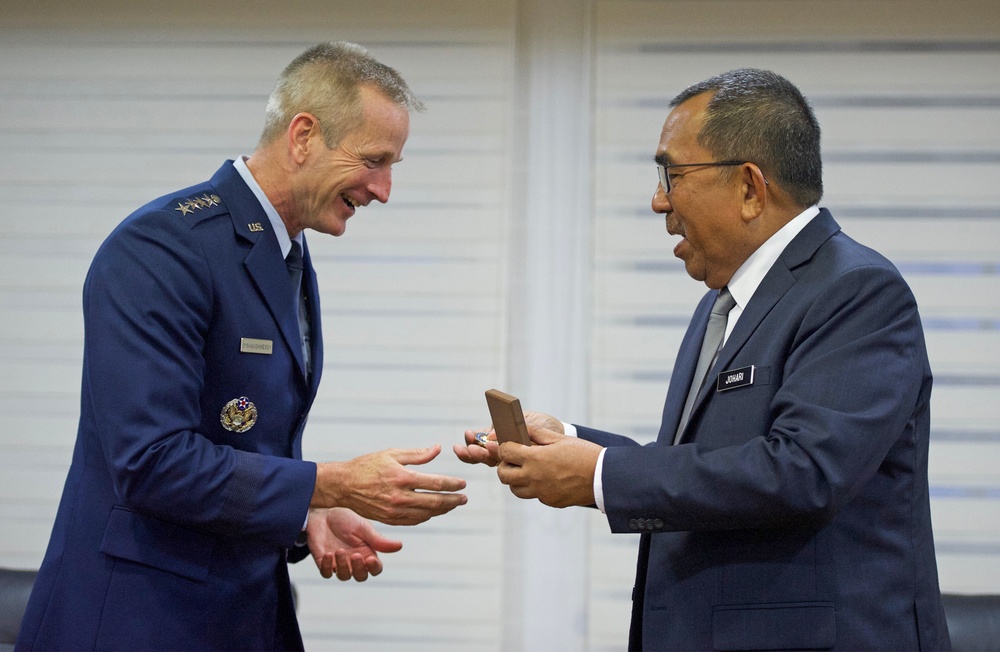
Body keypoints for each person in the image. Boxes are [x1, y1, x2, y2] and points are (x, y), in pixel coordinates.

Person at [456, 68, 951, 650]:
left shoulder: (857, 289)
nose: (658, 200)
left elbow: (803, 473)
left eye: (673, 174)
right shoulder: (723, 304)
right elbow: (704, 466)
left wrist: (596, 475)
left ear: (749, 187)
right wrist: (569, 440)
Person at [17, 41, 468, 651]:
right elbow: (153, 463)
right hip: (138, 621)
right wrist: (325, 485)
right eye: (373, 160)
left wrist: (303, 516)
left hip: (236, 614)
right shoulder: (164, 249)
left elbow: (240, 442)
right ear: (303, 136)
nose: (383, 189)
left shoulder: (285, 253)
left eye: (393, 166)